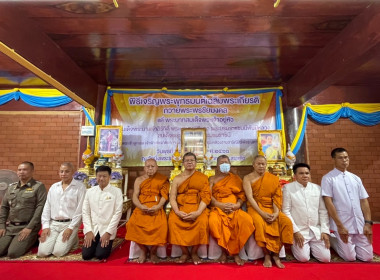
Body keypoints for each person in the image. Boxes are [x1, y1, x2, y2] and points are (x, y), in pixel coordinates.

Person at [321, 148, 373, 262]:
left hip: (359, 223)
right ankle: (334, 239)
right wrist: (339, 226)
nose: (344, 160)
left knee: (368, 257)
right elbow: (328, 202)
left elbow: (364, 201)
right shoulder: (328, 178)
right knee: (349, 257)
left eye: (346, 157)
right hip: (342, 223)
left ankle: (350, 244)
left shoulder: (355, 178)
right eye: (340, 158)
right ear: (333, 160)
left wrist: (368, 223)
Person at [243, 155, 293, 268]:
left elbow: (276, 197)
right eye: (258, 164)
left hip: (271, 207)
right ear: (253, 165)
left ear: (266, 165)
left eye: (263, 164)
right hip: (255, 208)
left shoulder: (273, 178)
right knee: (259, 224)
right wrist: (262, 213)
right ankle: (266, 254)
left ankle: (276, 254)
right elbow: (250, 198)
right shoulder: (247, 178)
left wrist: (275, 213)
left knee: (286, 222)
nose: (261, 166)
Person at [208, 155, 254, 265]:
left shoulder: (235, 178)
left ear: (230, 165)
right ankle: (224, 252)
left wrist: (237, 205)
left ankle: (236, 253)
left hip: (234, 209)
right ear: (217, 166)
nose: (224, 165)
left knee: (246, 221)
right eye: (221, 163)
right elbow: (208, 195)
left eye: (226, 162)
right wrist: (219, 204)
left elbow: (242, 195)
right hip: (217, 208)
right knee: (213, 222)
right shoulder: (212, 179)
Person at [282, 163, 331, 263]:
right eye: (301, 173)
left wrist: (325, 231)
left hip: (315, 230)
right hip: (300, 231)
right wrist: (295, 231)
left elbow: (323, 210)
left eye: (307, 173)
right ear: (294, 176)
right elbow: (285, 211)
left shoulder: (317, 188)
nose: (305, 176)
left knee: (326, 259)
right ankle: (297, 246)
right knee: (303, 258)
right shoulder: (288, 188)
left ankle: (328, 242)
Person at [168, 152, 211, 265]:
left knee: (202, 221)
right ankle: (185, 252)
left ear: (196, 163)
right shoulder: (177, 178)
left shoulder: (202, 177)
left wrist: (197, 212)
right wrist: (177, 211)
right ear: (183, 163)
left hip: (197, 207)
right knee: (173, 221)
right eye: (187, 160)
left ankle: (195, 252)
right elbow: (172, 197)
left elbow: (206, 197)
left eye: (192, 160)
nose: (190, 162)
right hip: (181, 207)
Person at [37, 163, 86, 257]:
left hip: (69, 223)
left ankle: (73, 240)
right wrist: (46, 226)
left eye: (67, 171)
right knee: (43, 253)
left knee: (58, 252)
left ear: (73, 172)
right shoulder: (54, 187)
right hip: (54, 223)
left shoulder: (80, 187)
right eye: (61, 171)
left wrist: (71, 228)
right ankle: (67, 239)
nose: (64, 174)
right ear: (59, 173)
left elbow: (80, 210)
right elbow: (47, 207)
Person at [125, 159, 169, 263]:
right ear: (144, 168)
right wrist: (140, 206)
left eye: (152, 166)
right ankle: (143, 250)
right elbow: (135, 196)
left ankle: (153, 252)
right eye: (148, 166)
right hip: (141, 208)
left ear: (157, 167)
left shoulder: (162, 179)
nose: (150, 168)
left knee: (162, 226)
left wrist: (158, 207)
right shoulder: (139, 180)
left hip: (156, 208)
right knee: (131, 224)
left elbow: (164, 196)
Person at [0, 162, 47, 258]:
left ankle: (33, 239)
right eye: (19, 170)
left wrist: (29, 228)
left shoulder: (38, 187)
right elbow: (4, 207)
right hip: (11, 227)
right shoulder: (11, 187)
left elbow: (40, 208)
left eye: (25, 170)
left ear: (32, 171)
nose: (21, 172)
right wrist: (2, 225)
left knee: (13, 253)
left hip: (27, 227)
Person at [82, 165, 123, 260]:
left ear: (109, 177)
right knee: (86, 255)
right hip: (93, 228)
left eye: (104, 176)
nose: (101, 178)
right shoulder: (89, 192)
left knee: (101, 255)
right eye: (99, 176)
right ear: (96, 177)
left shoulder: (116, 192)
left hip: (106, 228)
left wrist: (108, 232)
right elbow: (85, 212)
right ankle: (94, 242)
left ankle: (104, 244)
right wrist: (88, 231)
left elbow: (117, 213)